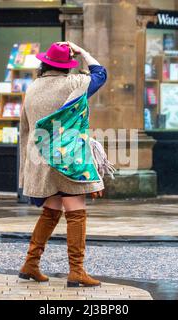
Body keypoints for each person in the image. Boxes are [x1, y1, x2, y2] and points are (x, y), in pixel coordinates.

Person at [18, 41, 107, 287]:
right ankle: (76, 271)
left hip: (40, 159)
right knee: (76, 213)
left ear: (44, 64)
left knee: (51, 211)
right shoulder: (74, 83)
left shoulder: (32, 88)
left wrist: (27, 165)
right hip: (68, 160)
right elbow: (101, 74)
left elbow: (25, 129)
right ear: (67, 66)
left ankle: (31, 264)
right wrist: (83, 52)